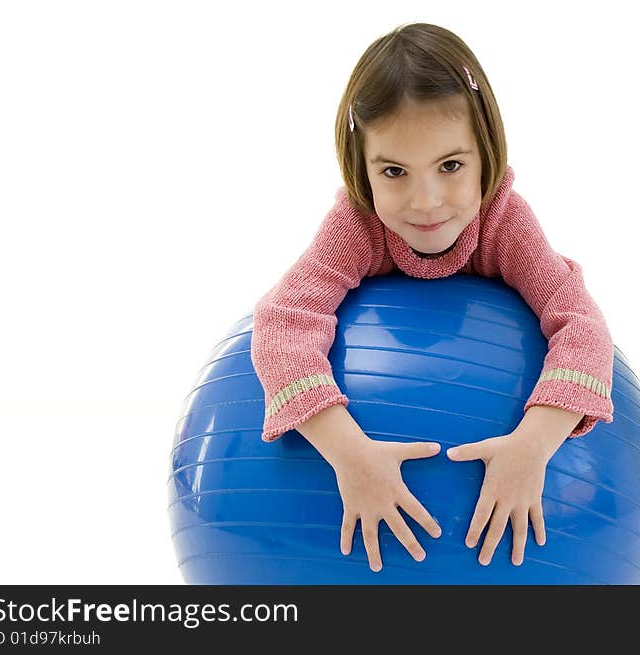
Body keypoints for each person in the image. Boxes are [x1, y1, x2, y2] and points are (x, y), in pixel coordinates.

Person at [250, 22, 614, 572]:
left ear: (485, 152)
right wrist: (351, 456)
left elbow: (581, 326)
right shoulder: (357, 224)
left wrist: (533, 445)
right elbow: (283, 322)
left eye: (450, 166)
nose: (426, 201)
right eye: (394, 171)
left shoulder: (504, 223)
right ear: (362, 166)